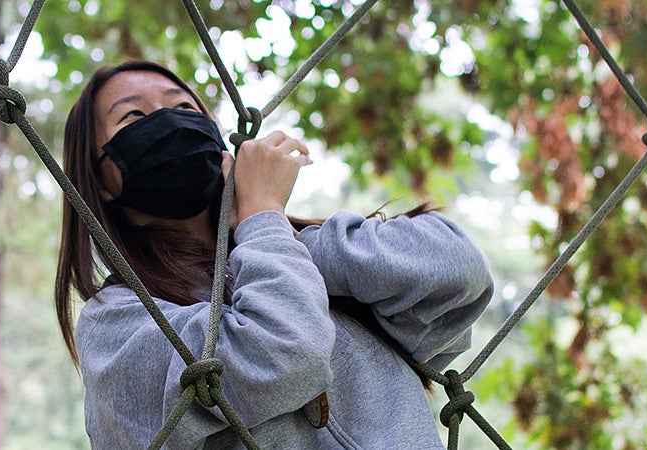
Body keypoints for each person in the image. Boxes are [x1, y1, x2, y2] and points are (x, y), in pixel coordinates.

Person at [55, 60, 494, 449]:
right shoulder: (116, 322)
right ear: (99, 183)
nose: (170, 122)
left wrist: (265, 228)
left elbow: (459, 271)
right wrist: (264, 211)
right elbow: (286, 359)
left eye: (185, 109)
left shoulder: (287, 249)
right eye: (133, 117)